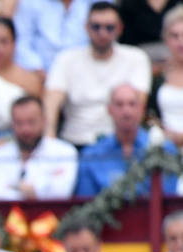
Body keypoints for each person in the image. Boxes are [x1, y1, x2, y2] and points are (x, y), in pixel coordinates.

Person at [43, 3, 150, 147]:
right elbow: (51, 102)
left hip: (118, 144)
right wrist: (49, 140)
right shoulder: (66, 59)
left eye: (109, 27)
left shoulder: (136, 58)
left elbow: (138, 106)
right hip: (75, 141)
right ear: (86, 27)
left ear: (120, 29)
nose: (102, 33)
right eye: (96, 27)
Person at [76, 84, 178, 196]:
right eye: (119, 104)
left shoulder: (165, 150)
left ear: (142, 109)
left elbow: (170, 202)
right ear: (109, 110)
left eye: (132, 104)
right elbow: (85, 204)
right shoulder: (91, 155)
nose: (126, 111)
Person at [0, 95, 79, 199]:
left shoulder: (65, 152)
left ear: (44, 121)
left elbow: (61, 193)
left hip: (52, 214)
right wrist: (40, 189)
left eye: (31, 122)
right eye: (19, 123)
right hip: (6, 214)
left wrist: (15, 187)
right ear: (12, 124)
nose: (25, 129)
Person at [12, 0, 91, 73]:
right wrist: (37, 69)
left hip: (85, 73)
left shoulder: (89, 3)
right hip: (39, 75)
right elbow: (21, 42)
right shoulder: (31, 3)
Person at [149, 8, 183, 146]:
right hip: (165, 149)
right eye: (174, 36)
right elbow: (148, 115)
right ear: (165, 39)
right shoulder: (156, 75)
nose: (181, 42)